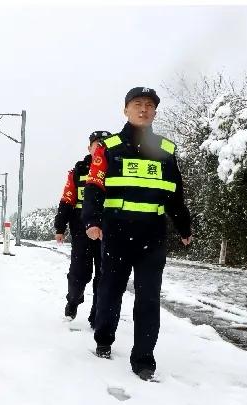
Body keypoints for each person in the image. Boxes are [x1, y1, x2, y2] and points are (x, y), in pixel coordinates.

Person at [82, 87, 193, 379]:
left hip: (152, 235)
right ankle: (104, 339)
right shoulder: (109, 147)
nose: (143, 109)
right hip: (116, 232)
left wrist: (184, 226)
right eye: (137, 104)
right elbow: (94, 187)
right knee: (110, 290)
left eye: (149, 105)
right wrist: (92, 221)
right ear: (126, 110)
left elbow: (174, 193)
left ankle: (144, 359)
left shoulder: (166, 150)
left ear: (155, 112)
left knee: (149, 298)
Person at [55, 129, 111, 323]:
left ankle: (97, 313)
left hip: (109, 231)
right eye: (98, 143)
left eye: (105, 143)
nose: (101, 146)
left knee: (104, 277)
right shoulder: (78, 171)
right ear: (90, 147)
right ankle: (73, 300)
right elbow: (67, 200)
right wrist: (60, 227)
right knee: (78, 274)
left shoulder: (117, 167)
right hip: (81, 231)